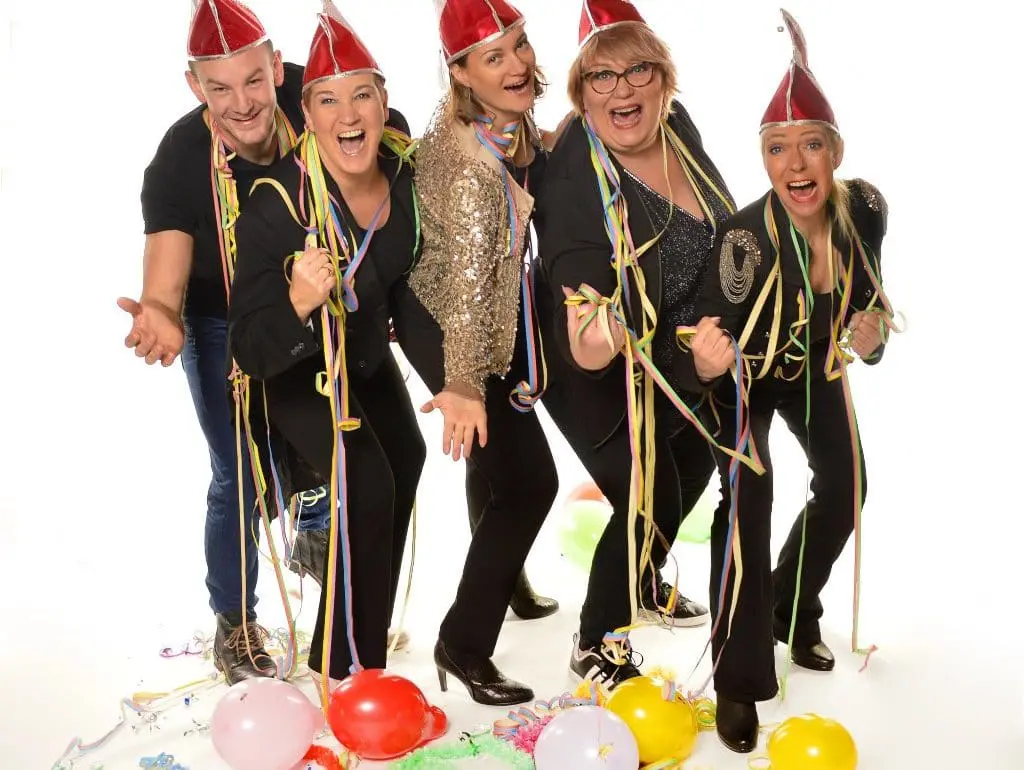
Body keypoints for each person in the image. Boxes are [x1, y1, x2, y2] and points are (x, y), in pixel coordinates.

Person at [676, 10, 897, 753]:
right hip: (745, 381)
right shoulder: (744, 239)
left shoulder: (865, 209)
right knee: (749, 499)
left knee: (847, 483)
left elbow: (871, 300)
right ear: (764, 159)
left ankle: (792, 609)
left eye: (810, 145)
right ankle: (739, 679)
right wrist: (706, 360)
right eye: (778, 148)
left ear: (836, 152)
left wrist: (871, 336)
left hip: (815, 369)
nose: (795, 164)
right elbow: (702, 338)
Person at [537, 0, 750, 690]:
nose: (621, 90)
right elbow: (584, 336)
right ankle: (597, 640)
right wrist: (598, 329)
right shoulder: (574, 172)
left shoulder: (677, 126)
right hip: (590, 364)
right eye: (601, 76)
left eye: (639, 71)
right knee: (650, 487)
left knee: (688, 471)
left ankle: (642, 579)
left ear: (665, 79)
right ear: (581, 91)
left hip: (675, 354)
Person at [123, 0, 332, 685]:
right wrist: (160, 315)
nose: (242, 104)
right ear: (195, 86)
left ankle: (317, 537)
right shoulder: (180, 159)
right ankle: (235, 622)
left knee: (336, 434)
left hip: (313, 299)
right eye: (219, 88)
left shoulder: (315, 102)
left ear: (278, 67)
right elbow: (165, 284)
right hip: (220, 319)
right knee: (239, 470)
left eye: (253, 80)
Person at [227, 2, 425, 696]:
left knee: (406, 459)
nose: (349, 114)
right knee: (365, 482)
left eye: (362, 96)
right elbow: (250, 348)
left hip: (365, 358)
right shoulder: (274, 203)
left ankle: (361, 644)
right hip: (297, 371)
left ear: (383, 105)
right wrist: (297, 302)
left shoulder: (404, 170)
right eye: (329, 100)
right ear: (306, 115)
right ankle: (337, 671)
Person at [389, 0, 559, 706]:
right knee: (530, 482)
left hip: (491, 303)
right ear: (459, 72)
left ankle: (504, 574)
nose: (516, 64)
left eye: (519, 44)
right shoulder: (469, 170)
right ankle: (463, 643)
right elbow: (462, 286)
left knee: (499, 466)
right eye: (494, 56)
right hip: (447, 317)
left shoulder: (503, 122)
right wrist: (463, 383)